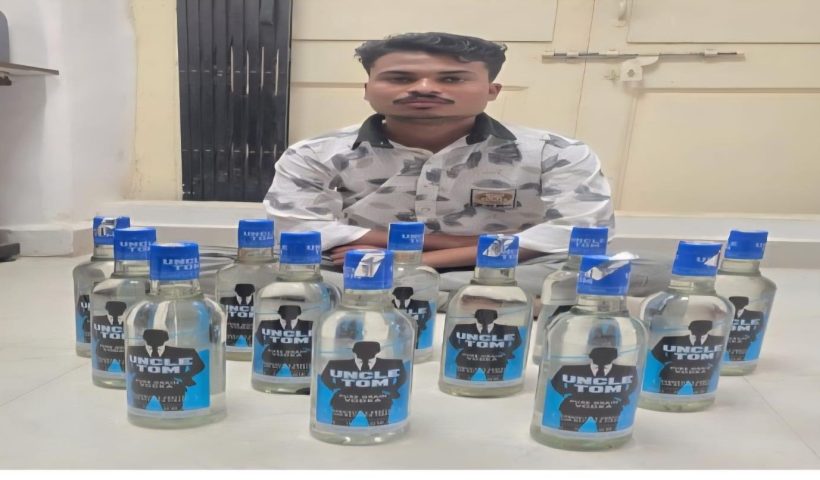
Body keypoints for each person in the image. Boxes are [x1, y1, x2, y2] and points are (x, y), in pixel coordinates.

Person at [264, 32, 613, 270]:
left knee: (619, 271)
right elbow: (298, 229)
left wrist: (411, 259)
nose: (424, 88)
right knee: (278, 272)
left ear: (492, 91)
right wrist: (492, 242)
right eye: (400, 78)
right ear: (367, 89)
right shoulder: (315, 153)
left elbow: (580, 235)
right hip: (359, 269)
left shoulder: (556, 153)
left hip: (502, 270)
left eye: (451, 79)